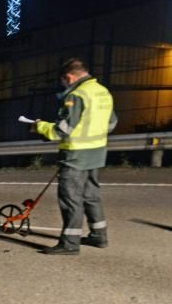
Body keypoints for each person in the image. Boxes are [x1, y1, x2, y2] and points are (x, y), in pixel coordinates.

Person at [32, 58, 117, 255]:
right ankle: (99, 236)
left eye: (63, 81)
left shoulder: (77, 95)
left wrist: (40, 127)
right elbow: (112, 122)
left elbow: (63, 129)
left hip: (76, 154)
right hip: (97, 152)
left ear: (69, 77)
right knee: (91, 195)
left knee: (71, 198)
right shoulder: (102, 92)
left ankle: (70, 243)